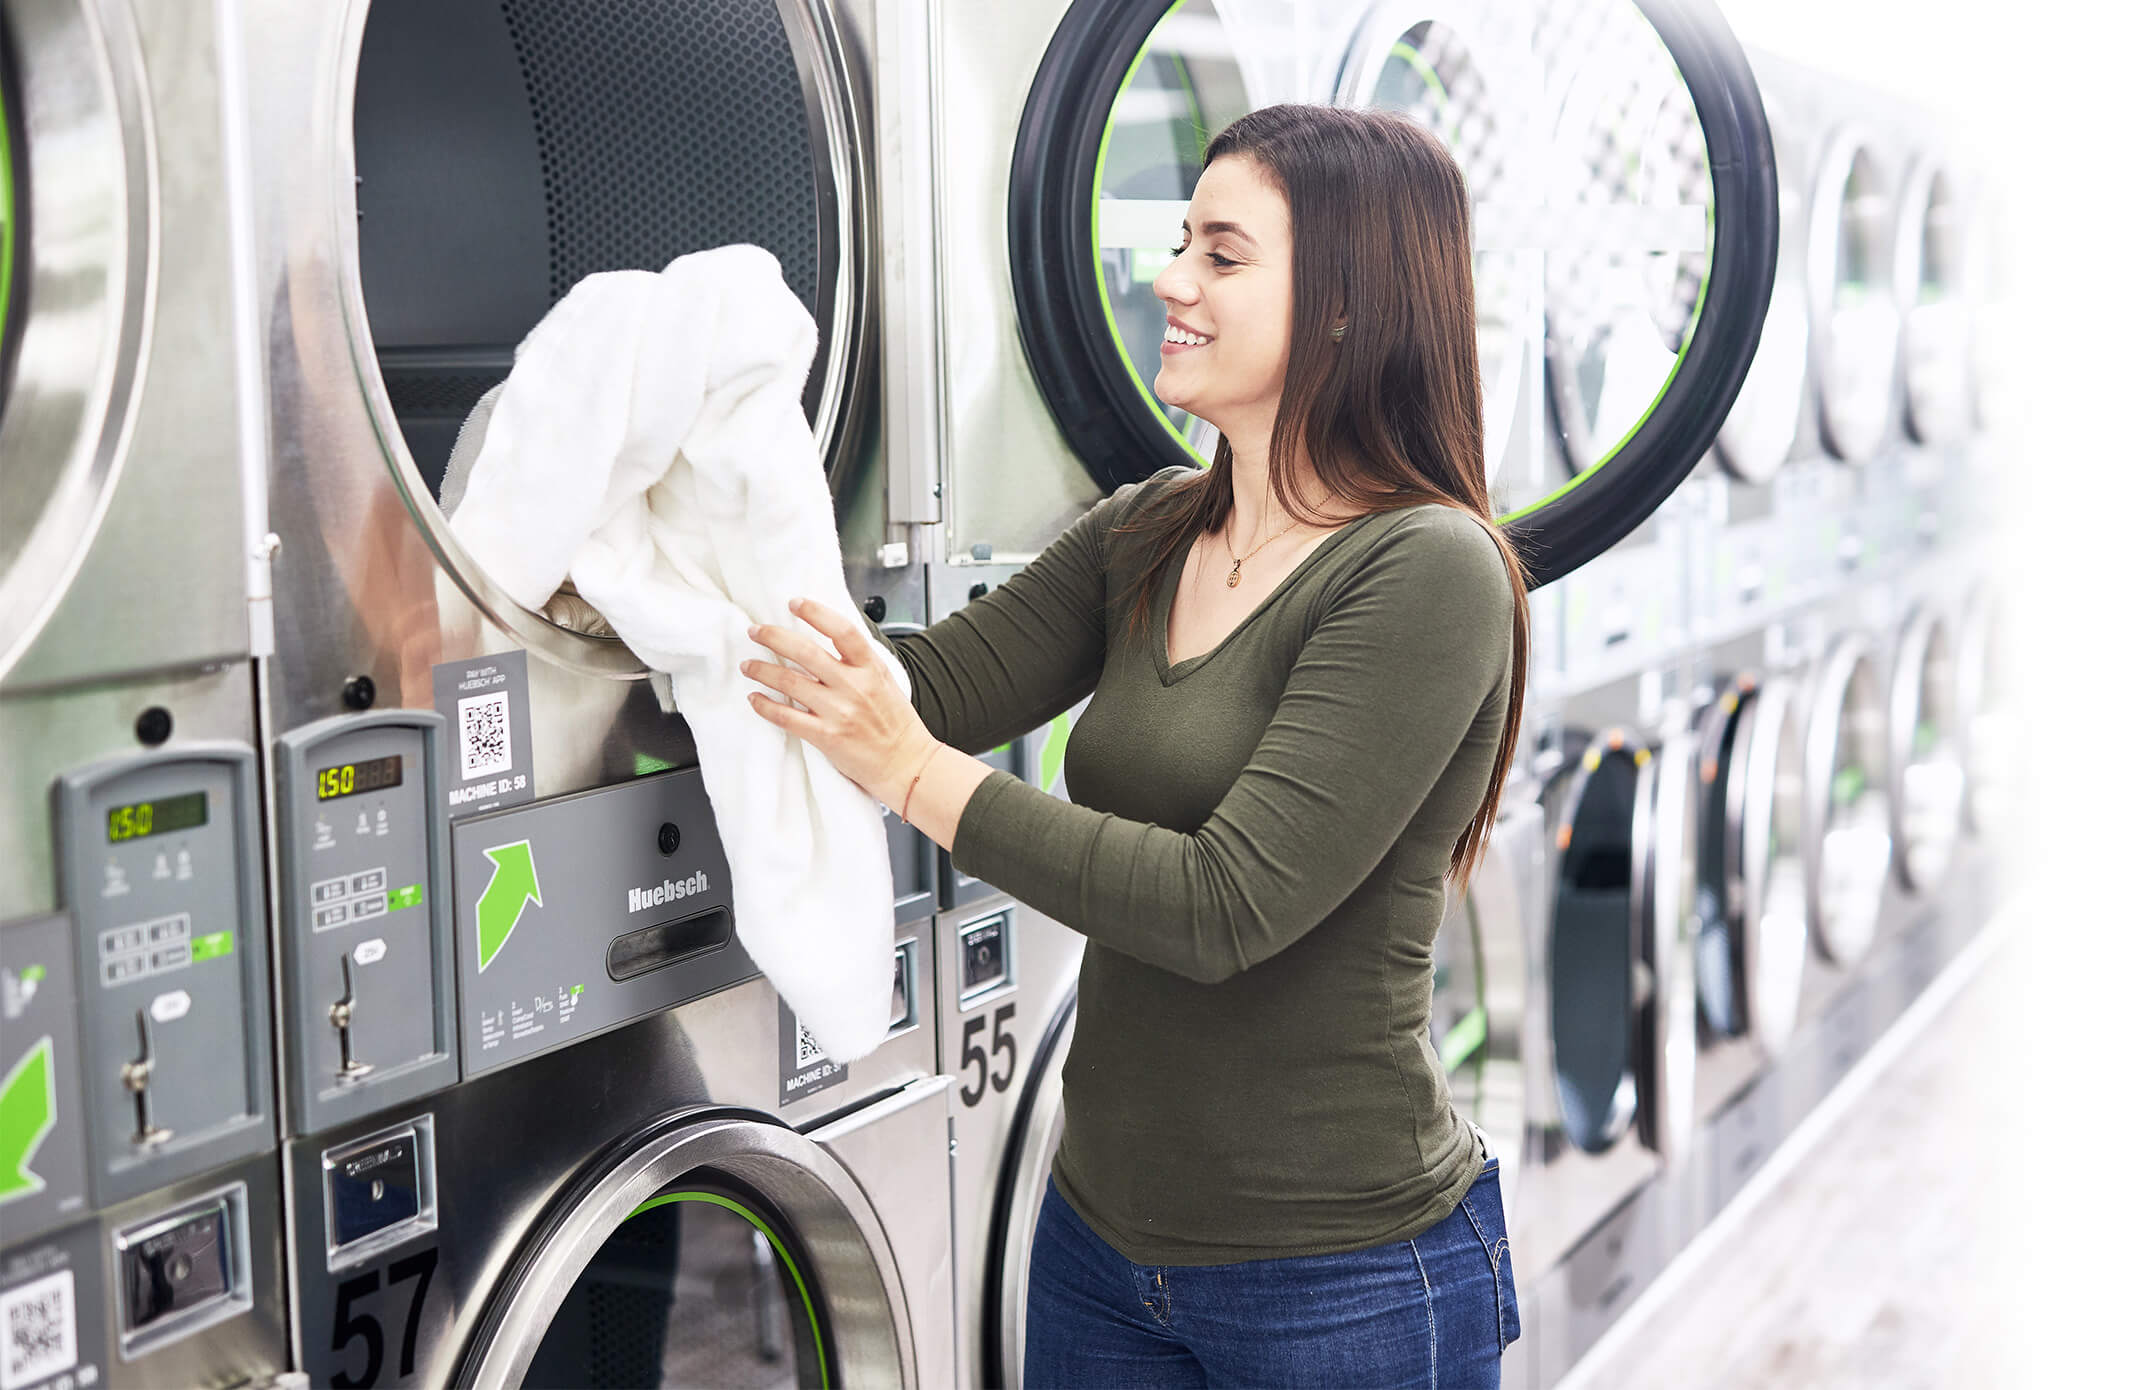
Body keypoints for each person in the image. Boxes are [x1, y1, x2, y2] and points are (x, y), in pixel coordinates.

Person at [741, 103, 1532, 1389]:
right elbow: (920, 689)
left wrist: (910, 775)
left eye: (1221, 256)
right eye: (1181, 245)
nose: (1170, 280)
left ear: (1342, 303)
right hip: (1098, 1247)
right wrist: (683, 568)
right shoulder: (1149, 529)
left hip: (1339, 1281)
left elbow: (1225, 903)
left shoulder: (1424, 570)